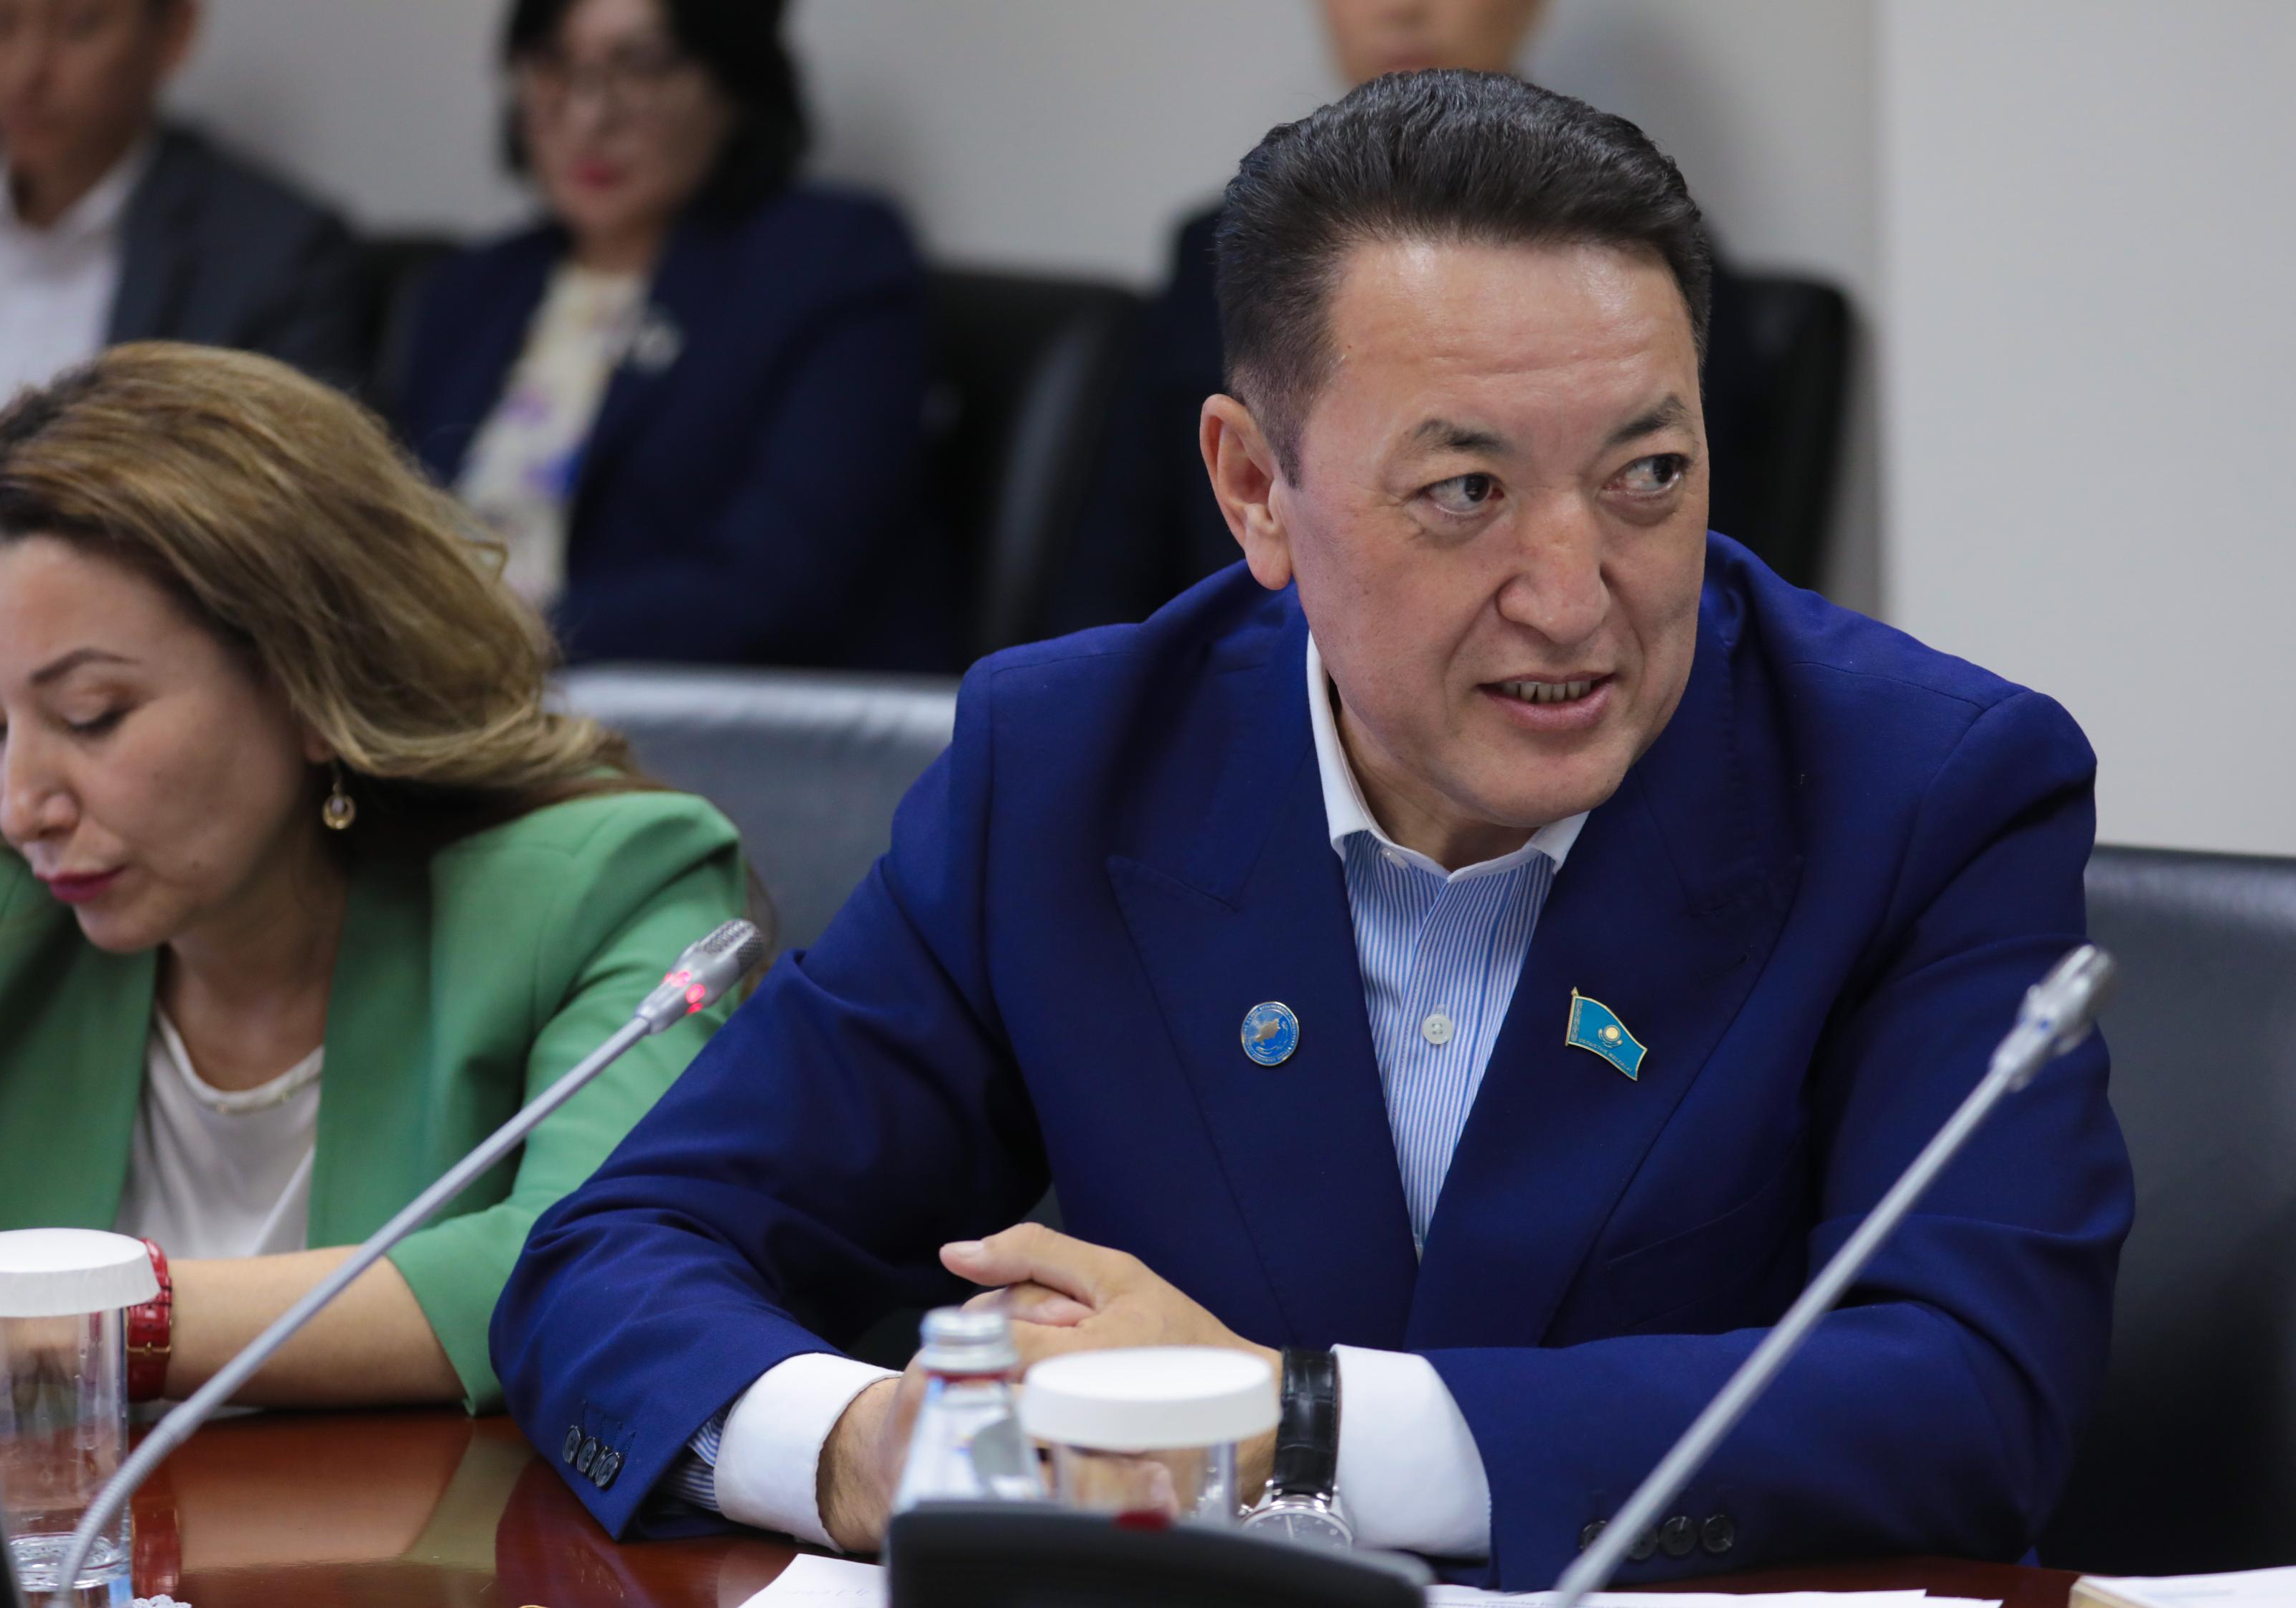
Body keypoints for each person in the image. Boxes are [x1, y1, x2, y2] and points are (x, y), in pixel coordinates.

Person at [494, 72, 2131, 1586]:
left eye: (1648, 476)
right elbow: (622, 1255)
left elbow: (1975, 1396)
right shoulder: (1069, 768)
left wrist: (1291, 1423)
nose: (1577, 599)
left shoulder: (1923, 791)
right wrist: (871, 1449)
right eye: (1466, 493)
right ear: (1254, 491)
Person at [0, 342, 748, 1415]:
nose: (22, 804)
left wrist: (67, 1321)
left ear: (311, 683)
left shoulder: (611, 885)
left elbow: (591, 1269)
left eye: (91, 716)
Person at [1051, 0, 1810, 635]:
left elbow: (1709, 605)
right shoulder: (1215, 257)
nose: (1400, 9)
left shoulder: (1643, 277)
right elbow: (1107, 576)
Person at [395, 0, 950, 672]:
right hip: (450, 693)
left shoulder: (830, 262)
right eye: (554, 66)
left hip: (684, 705)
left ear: (732, 85)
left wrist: (491, 638)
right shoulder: (475, 286)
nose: (588, 116)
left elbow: (771, 588)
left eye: (642, 68)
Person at [0, 0, 362, 650]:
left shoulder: (269, 251)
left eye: (79, 27)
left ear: (173, 33)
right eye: (0, 25)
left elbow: (285, 527)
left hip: (38, 664)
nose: (27, 71)